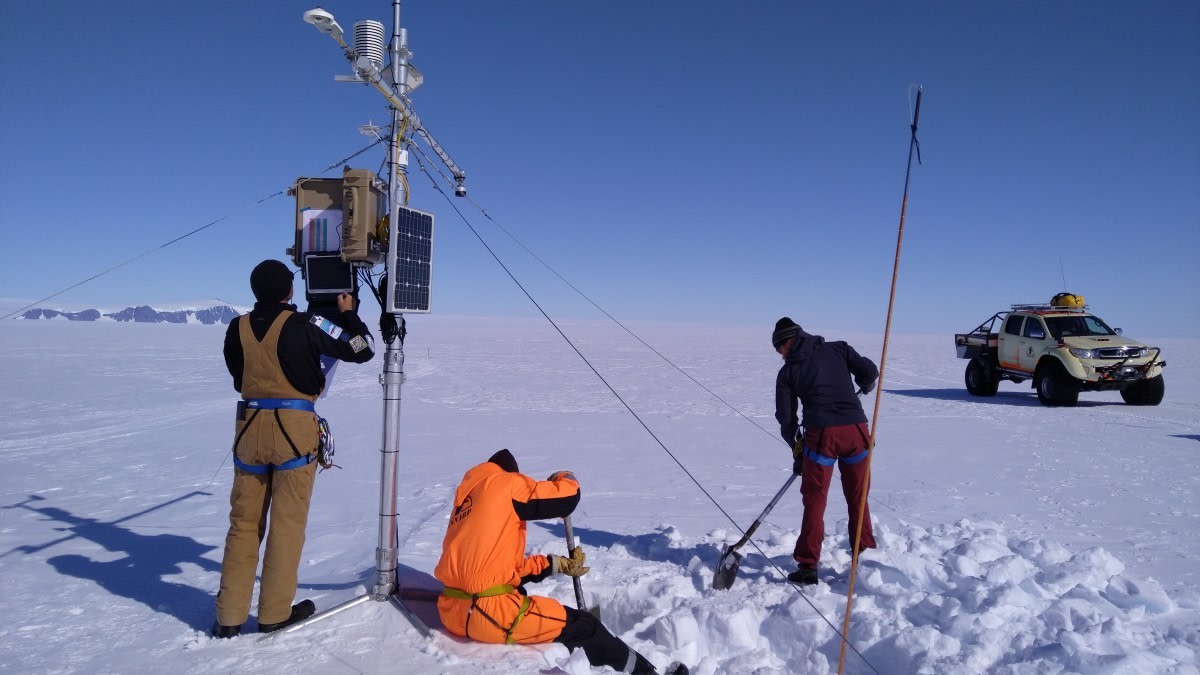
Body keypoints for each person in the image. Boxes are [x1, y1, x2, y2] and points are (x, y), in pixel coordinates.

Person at [211, 259, 375, 638]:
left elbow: (240, 379)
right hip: (294, 429)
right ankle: (273, 612)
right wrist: (349, 316)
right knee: (286, 524)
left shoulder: (237, 329)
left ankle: (229, 617)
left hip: (249, 428)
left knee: (243, 524)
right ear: (290, 291)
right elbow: (361, 348)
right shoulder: (307, 324)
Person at [434, 449, 686, 675]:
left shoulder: (466, 503)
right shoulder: (504, 484)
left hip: (453, 613)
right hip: (489, 615)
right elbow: (566, 498)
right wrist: (566, 478)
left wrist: (559, 564)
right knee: (585, 625)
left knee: (561, 626)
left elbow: (502, 571)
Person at [772, 317, 879, 586]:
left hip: (823, 438)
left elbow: (786, 418)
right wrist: (866, 383)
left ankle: (808, 566)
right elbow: (869, 371)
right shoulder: (839, 349)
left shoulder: (788, 373)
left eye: (778, 350)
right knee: (858, 495)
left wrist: (798, 450)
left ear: (786, 342)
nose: (780, 356)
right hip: (857, 432)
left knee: (815, 501)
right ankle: (862, 554)